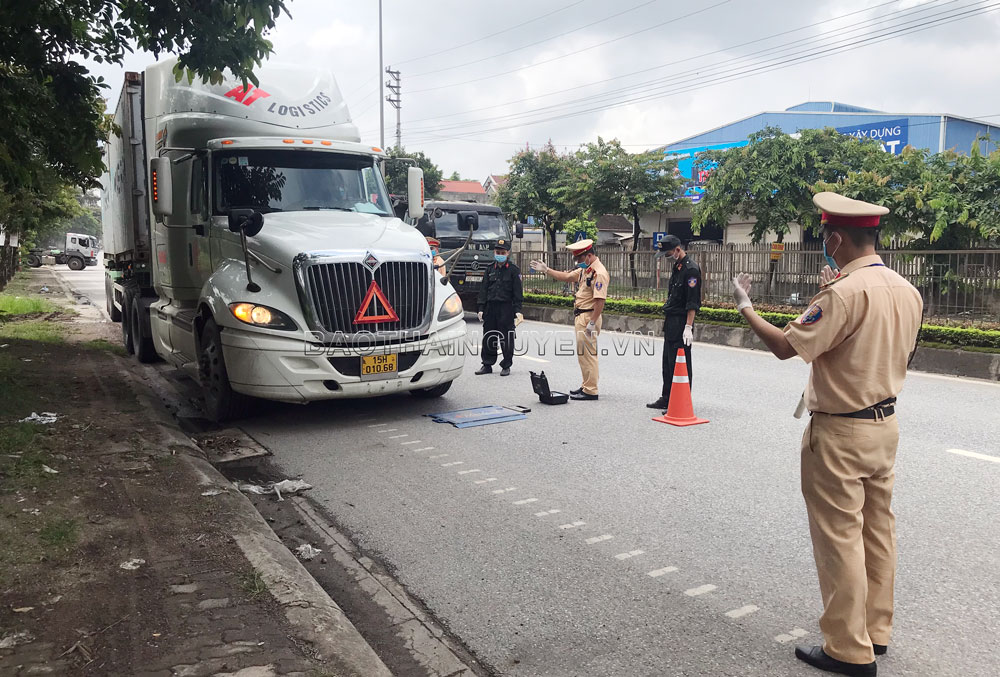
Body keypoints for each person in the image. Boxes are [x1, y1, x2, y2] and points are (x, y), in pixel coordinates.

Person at [732, 192, 922, 677]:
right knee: (879, 533)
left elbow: (785, 347)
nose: (824, 244)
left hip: (839, 433)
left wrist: (746, 306)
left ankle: (847, 649)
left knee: (840, 538)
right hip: (885, 427)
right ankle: (876, 633)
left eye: (824, 236)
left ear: (836, 237)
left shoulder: (842, 293)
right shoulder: (906, 290)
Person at [529, 239, 609, 400]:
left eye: (579, 259)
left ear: (589, 255)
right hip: (581, 315)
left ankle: (591, 390)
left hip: (589, 316)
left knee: (588, 354)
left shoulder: (598, 272)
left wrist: (592, 323)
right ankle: (586, 385)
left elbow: (600, 301)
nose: (577, 262)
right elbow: (566, 277)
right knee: (583, 354)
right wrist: (547, 270)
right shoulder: (585, 270)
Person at [646, 234, 701, 412]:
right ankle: (667, 397)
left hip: (682, 322)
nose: (667, 257)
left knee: (681, 363)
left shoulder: (691, 270)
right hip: (671, 321)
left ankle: (680, 401)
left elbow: (692, 302)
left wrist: (688, 327)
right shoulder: (677, 267)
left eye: (668, 254)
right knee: (668, 362)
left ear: (678, 249)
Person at [475, 239, 523, 377]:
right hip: (491, 308)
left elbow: (517, 293)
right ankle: (487, 364)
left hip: (506, 308)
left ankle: (506, 365)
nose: (500, 254)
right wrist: (481, 308)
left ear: (507, 253)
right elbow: (483, 289)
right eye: (497, 252)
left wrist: (518, 311)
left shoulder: (514, 270)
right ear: (494, 252)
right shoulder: (489, 269)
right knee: (489, 337)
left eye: (502, 252)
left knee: (506, 338)